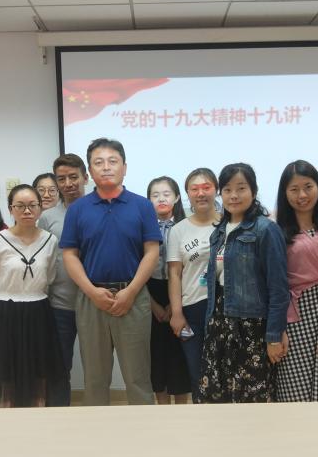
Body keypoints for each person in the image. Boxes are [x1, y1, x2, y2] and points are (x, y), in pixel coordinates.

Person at [61, 138, 160, 406]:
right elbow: (69, 255)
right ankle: (97, 431)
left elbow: (152, 252)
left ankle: (145, 429)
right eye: (99, 162)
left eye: (112, 161)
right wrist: (92, 292)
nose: (106, 167)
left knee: (138, 377)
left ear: (124, 168)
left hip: (133, 297)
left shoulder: (142, 206)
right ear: (89, 172)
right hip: (91, 298)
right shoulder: (77, 209)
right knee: (95, 378)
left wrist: (131, 291)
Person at [198, 163, 289, 404]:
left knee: (252, 401)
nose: (234, 195)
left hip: (252, 328)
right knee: (216, 398)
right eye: (227, 190)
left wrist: (274, 336)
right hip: (219, 324)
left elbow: (279, 289)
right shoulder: (219, 231)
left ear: (254, 191)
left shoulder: (266, 229)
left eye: (241, 188)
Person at [0, 184, 62, 407]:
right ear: (11, 209)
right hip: (5, 311)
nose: (27, 211)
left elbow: (50, 276)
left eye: (32, 205)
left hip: (39, 311)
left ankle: (38, 417)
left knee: (38, 373)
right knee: (6, 375)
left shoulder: (50, 240)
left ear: (40, 208)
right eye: (20, 206)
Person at [274, 161, 318, 402]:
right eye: (294, 189)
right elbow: (273, 284)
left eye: (308, 186)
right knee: (294, 388)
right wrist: (277, 329)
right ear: (284, 193)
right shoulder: (275, 229)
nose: (302, 195)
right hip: (295, 316)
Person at [40, 153, 89, 406]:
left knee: (96, 368)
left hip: (94, 303)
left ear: (85, 177)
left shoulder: (99, 209)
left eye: (73, 177)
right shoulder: (48, 217)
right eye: (62, 179)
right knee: (59, 368)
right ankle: (58, 416)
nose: (68, 183)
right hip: (60, 304)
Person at [167, 168, 220, 401]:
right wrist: (177, 313)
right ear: (187, 193)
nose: (201, 193)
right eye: (194, 189)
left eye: (206, 187)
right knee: (197, 373)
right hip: (192, 309)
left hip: (224, 306)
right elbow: (174, 274)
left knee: (223, 370)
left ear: (216, 190)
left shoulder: (228, 223)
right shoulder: (178, 230)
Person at [147, 176, 191, 404]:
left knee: (180, 355)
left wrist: (176, 306)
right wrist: (153, 305)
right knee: (156, 356)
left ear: (177, 197)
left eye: (166, 194)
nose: (161, 199)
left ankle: (181, 409)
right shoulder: (142, 228)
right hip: (150, 292)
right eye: (155, 195)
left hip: (182, 292)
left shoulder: (187, 227)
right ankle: (162, 408)